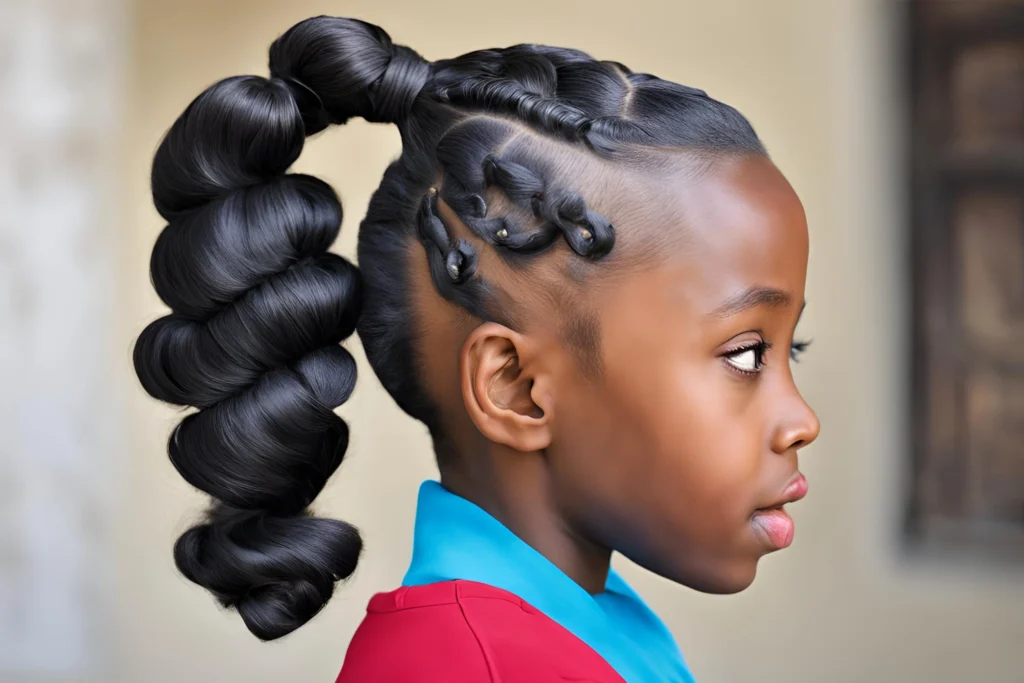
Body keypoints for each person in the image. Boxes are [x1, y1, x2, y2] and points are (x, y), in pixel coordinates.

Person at [133, 14, 821, 683]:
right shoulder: (461, 666)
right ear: (516, 386)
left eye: (794, 349)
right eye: (746, 354)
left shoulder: (582, 628)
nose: (802, 420)